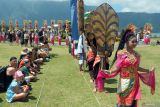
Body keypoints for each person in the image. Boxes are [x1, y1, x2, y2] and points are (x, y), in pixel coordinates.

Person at [97, 29, 155, 107]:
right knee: (123, 101)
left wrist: (148, 70)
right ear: (127, 42)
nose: (135, 43)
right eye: (133, 42)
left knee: (132, 102)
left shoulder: (137, 55)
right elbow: (118, 67)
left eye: (136, 42)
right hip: (124, 81)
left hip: (134, 81)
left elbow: (137, 68)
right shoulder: (121, 53)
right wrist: (110, 71)